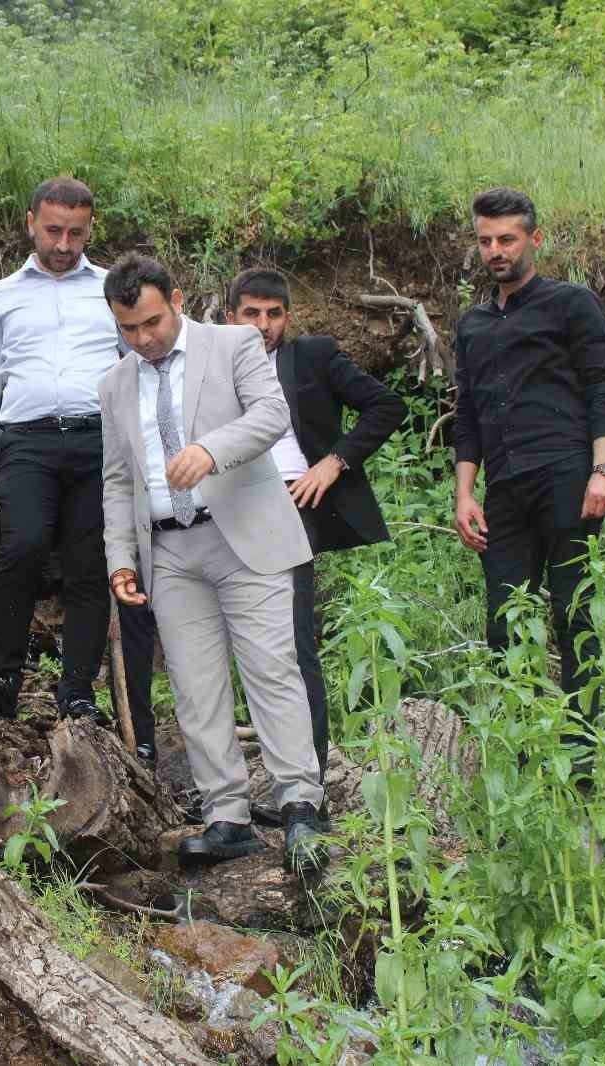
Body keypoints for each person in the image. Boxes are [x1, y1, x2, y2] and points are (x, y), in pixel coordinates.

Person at [99, 253, 327, 872]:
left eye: (151, 322)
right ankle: (226, 814)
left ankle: (301, 803)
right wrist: (120, 556)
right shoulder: (114, 384)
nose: (143, 339)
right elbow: (119, 480)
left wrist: (210, 450)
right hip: (169, 549)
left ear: (176, 299)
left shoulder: (233, 344)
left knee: (271, 669)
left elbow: (271, 416)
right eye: (129, 329)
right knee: (196, 688)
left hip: (243, 535)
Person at [0, 177, 158, 759]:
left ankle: (76, 689)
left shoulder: (109, 290)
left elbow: (140, 361)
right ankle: (3, 676)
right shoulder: (0, 295)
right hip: (26, 439)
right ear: (30, 223)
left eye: (75, 232)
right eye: (53, 230)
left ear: (89, 229)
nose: (64, 243)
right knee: (21, 547)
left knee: (90, 564)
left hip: (101, 440)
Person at [225, 267, 404, 791]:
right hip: (225, 508)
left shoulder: (313, 355)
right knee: (237, 645)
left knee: (294, 640)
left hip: (290, 504)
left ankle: (311, 783)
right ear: (230, 315)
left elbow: (386, 406)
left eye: (273, 314)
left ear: (288, 316)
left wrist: (334, 462)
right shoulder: (207, 364)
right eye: (251, 313)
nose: (263, 325)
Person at [452, 187, 605, 741]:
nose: (495, 250)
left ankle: (583, 753)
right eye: (485, 241)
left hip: (568, 474)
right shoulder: (472, 324)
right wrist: (464, 495)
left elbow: (602, 385)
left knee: (575, 614)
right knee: (504, 621)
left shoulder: (570, 304)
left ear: (534, 239)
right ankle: (521, 747)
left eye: (507, 239)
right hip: (505, 486)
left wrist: (604, 469)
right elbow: (469, 413)